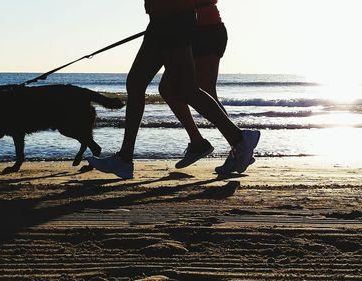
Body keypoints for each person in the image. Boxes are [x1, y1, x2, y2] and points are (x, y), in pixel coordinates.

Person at [87, 0, 260, 179]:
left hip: (173, 18)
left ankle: (238, 139)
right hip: (162, 18)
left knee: (184, 89)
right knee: (138, 83)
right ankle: (125, 158)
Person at [159, 0, 228, 169]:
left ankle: (237, 143)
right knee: (204, 92)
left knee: (170, 88)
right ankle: (237, 144)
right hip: (204, 29)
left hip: (202, 30)